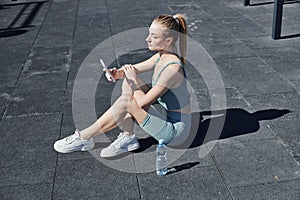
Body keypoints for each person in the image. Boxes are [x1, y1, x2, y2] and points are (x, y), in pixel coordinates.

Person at [54, 14, 191, 157]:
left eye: (154, 37)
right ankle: (128, 136)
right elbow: (133, 70)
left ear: (169, 40)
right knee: (128, 81)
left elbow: (143, 102)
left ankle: (84, 137)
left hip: (176, 133)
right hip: (164, 114)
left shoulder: (173, 68)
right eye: (149, 34)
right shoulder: (161, 56)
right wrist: (116, 73)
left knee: (128, 99)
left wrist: (132, 80)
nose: (147, 39)